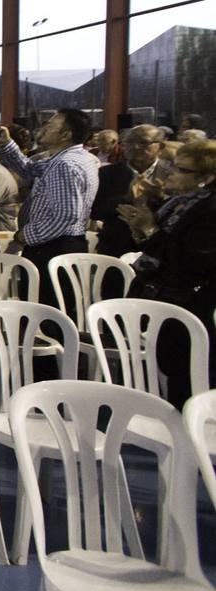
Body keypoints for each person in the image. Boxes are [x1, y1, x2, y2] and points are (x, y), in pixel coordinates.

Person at [117, 139, 216, 406]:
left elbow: (190, 262)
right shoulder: (178, 203)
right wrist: (142, 220)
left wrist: (149, 228)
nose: (171, 171)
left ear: (205, 178)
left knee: (186, 378)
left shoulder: (208, 209)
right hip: (163, 297)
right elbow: (154, 248)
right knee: (169, 370)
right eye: (173, 165)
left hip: (188, 304)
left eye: (182, 169)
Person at [0, 109, 99, 314]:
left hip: (52, 247)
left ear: (65, 134)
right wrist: (7, 144)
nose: (43, 128)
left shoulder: (65, 164)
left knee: (44, 314)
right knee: (56, 311)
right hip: (66, 244)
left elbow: (66, 215)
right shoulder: (78, 157)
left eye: (50, 125)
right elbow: (30, 170)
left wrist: (27, 235)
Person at [92, 124, 165, 257]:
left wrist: (160, 198)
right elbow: (95, 211)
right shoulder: (107, 173)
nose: (136, 147)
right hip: (116, 248)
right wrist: (126, 197)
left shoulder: (171, 174)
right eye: (130, 142)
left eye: (144, 142)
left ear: (160, 147)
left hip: (157, 249)